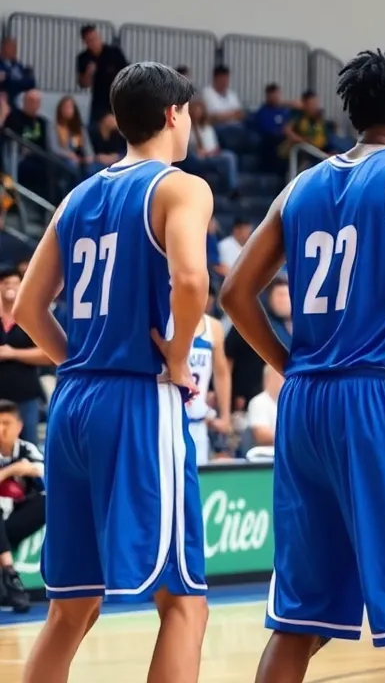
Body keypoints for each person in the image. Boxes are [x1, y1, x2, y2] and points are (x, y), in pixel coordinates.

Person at [219, 50, 385, 683]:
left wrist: (291, 362)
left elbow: (234, 292)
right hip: (377, 399)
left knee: (300, 616)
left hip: (305, 403)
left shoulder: (299, 186)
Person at [13, 62, 211, 682]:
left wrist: (76, 360)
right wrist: (177, 358)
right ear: (175, 115)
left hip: (72, 402)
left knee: (71, 606)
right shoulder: (180, 187)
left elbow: (26, 308)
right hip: (136, 398)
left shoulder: (78, 194)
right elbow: (192, 280)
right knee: (184, 604)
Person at [0, 399, 44, 613]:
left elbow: (43, 472)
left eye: (6, 423)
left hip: (16, 521)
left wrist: (29, 470)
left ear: (19, 426)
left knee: (48, 502)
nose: (1, 429)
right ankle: (10, 574)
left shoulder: (27, 448)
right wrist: (12, 470)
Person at [0, 268, 49, 444]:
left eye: (14, 282)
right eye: (5, 283)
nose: (10, 287)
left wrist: (13, 353)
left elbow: (48, 354)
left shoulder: (30, 317)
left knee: (29, 444)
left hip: (26, 393)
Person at [186, 312, 232, 465]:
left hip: (198, 421)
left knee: (197, 481)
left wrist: (225, 416)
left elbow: (221, 373)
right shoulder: (167, 321)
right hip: (170, 418)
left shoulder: (213, 326)